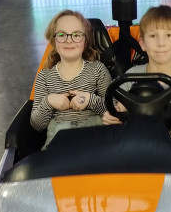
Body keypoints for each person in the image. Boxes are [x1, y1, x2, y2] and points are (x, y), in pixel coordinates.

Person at [103, 5, 171, 149]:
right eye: (153, 36)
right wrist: (112, 115)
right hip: (139, 144)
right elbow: (116, 108)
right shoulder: (131, 75)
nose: (161, 43)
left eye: (168, 35)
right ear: (142, 44)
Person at [30, 10, 112, 148]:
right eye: (62, 35)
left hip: (94, 136)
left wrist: (90, 100)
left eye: (76, 35)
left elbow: (113, 111)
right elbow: (37, 125)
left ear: (85, 40)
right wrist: (49, 101)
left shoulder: (98, 70)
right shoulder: (44, 77)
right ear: (53, 40)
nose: (69, 40)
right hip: (59, 140)